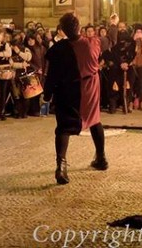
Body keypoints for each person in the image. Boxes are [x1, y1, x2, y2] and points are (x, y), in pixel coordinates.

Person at [44, 13, 108, 185]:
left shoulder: (58, 49)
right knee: (94, 120)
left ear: (63, 30)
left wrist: (47, 93)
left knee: (64, 127)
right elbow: (99, 43)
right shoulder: (92, 43)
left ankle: (61, 166)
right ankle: (101, 158)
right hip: (90, 88)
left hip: (68, 90)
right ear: (79, 27)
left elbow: (52, 75)